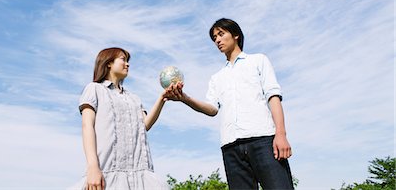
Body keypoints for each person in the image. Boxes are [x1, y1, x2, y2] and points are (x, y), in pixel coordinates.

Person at [168, 18, 294, 190]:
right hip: (231, 148)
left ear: (235, 35)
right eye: (214, 38)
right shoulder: (217, 77)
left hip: (263, 141)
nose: (217, 40)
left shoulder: (258, 61)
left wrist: (281, 134)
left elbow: (273, 96)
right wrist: (184, 98)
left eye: (221, 34)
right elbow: (212, 109)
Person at [73, 47, 170, 190]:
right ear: (108, 63)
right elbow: (87, 126)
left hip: (140, 176)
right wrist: (92, 166)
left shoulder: (134, 98)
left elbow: (145, 125)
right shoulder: (94, 89)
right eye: (123, 60)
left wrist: (162, 98)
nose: (128, 64)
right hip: (108, 174)